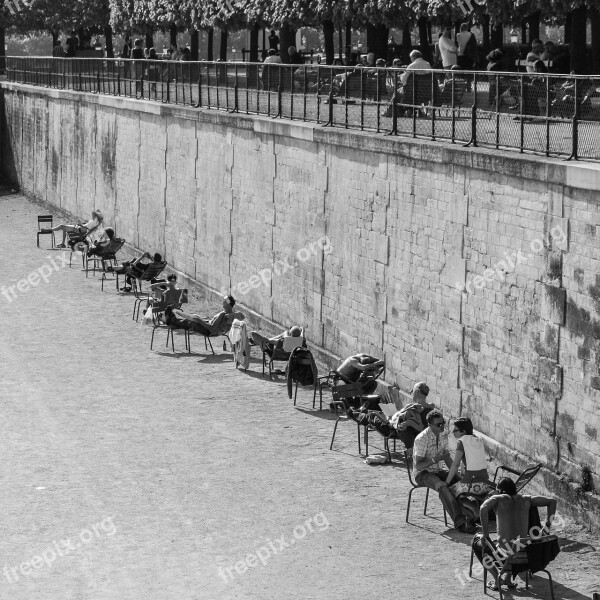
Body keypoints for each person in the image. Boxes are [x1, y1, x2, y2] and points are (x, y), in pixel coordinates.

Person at [472, 478, 558, 591]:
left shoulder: (497, 498)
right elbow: (552, 501)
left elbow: (483, 508)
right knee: (515, 545)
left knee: (477, 542)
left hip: (505, 557)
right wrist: (546, 527)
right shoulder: (526, 499)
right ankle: (507, 579)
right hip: (527, 557)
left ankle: (497, 579)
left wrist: (485, 534)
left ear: (499, 490)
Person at [413, 409, 477, 533]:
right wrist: (434, 459)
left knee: (459, 482)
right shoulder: (422, 439)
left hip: (437, 470)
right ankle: (460, 522)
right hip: (423, 474)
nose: (442, 426)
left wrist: (456, 474)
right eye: (439, 424)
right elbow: (419, 466)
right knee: (443, 487)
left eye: (443, 422)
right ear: (430, 425)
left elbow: (446, 457)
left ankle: (471, 513)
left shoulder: (443, 435)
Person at [446, 417, 494, 520]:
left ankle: (474, 510)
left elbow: (455, 464)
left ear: (463, 431)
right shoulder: (478, 439)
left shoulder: (461, 442)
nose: (453, 433)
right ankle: (476, 509)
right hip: (485, 483)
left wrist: (447, 481)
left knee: (448, 492)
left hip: (471, 485)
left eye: (455, 430)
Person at [166, 296, 244, 337]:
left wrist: (199, 321)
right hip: (215, 331)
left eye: (224, 300)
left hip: (209, 332)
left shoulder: (223, 315)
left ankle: (172, 321)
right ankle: (173, 319)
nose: (222, 301)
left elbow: (212, 328)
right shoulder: (231, 315)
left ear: (227, 303)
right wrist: (200, 319)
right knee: (193, 317)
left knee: (189, 322)